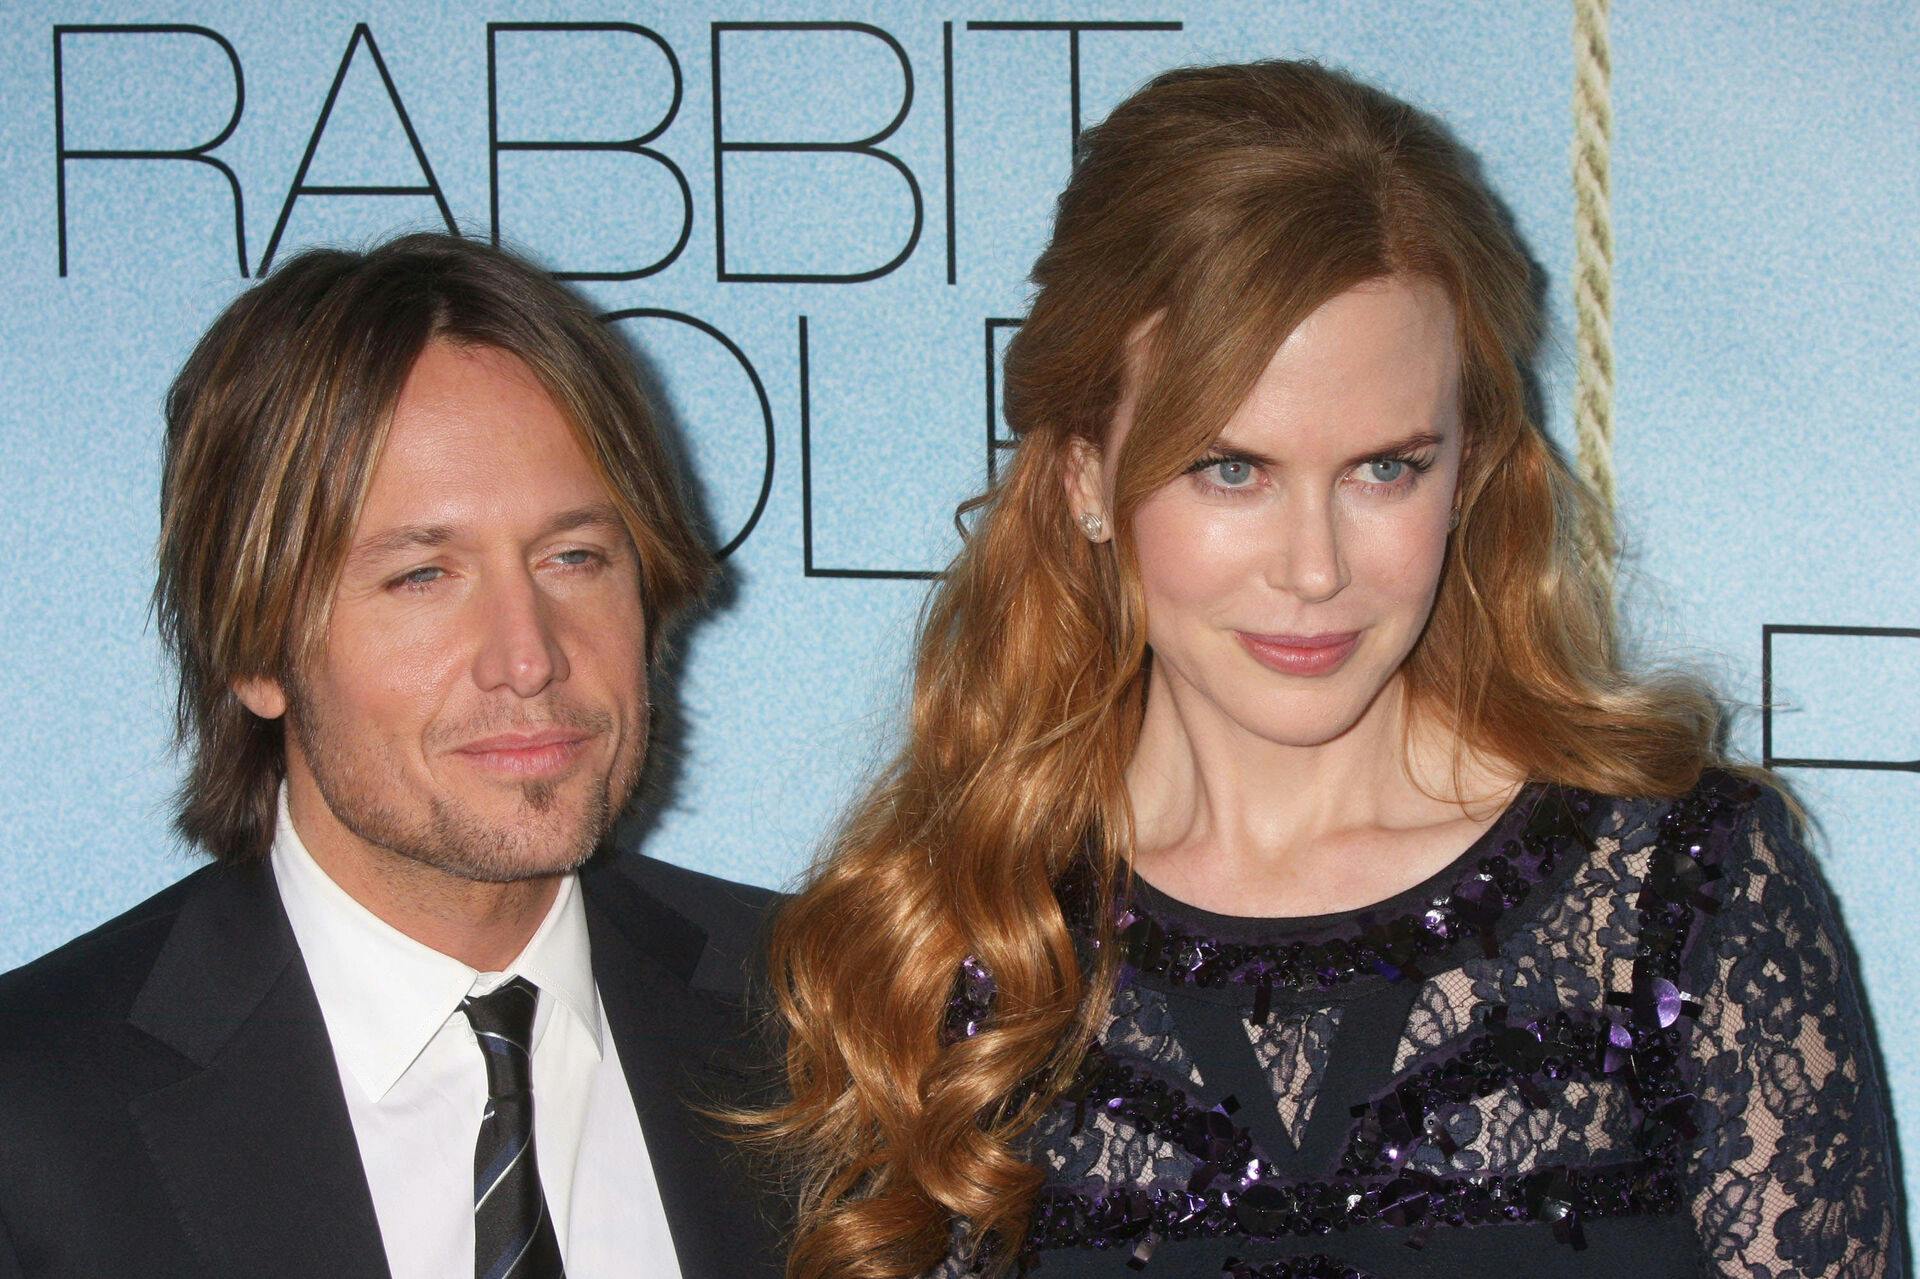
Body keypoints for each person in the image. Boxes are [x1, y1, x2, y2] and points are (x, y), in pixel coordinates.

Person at [742, 60, 1903, 1278]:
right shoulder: (961, 946)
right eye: (1230, 468)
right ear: (1084, 472)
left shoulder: (1683, 896)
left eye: (1385, 468)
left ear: (1471, 467)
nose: (1316, 569)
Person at [0, 233, 784, 1278]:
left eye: (575, 557)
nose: (530, 656)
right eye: (422, 575)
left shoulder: (848, 1023)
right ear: (253, 647)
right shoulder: (35, 1120)